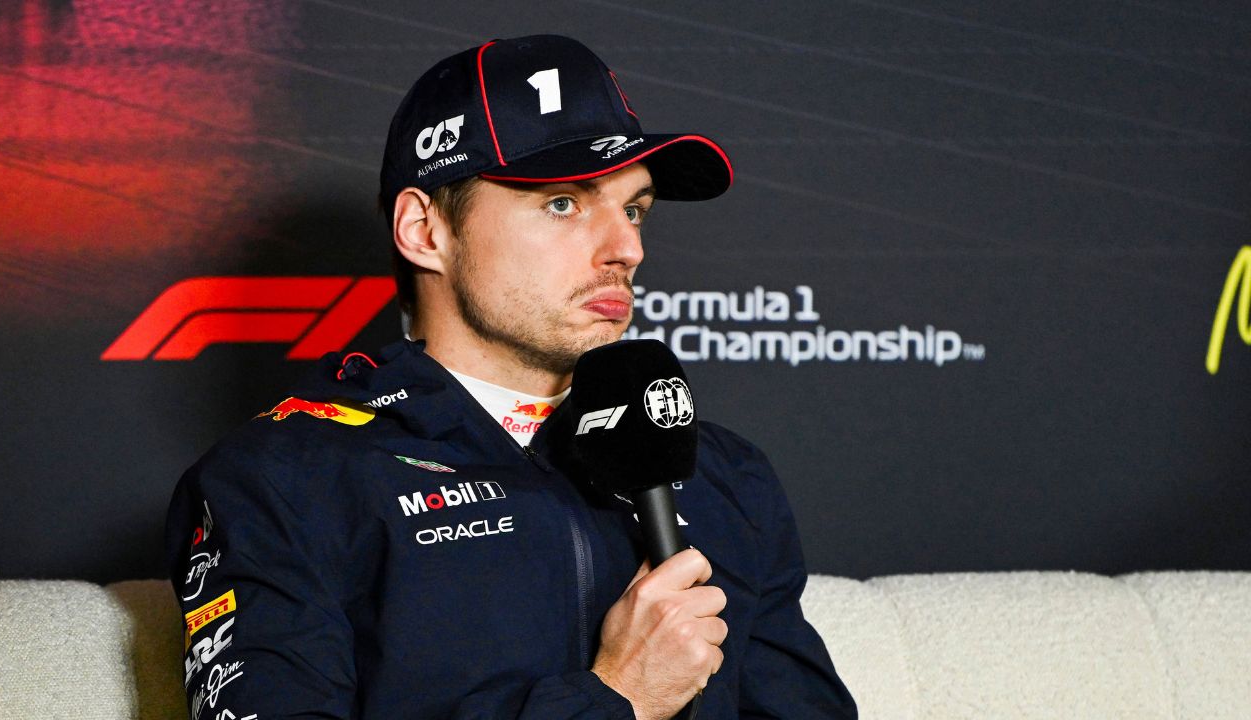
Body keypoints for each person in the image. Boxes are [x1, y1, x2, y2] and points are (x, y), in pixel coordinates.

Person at [167, 35, 857, 720]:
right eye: (563, 203)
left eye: (634, 209)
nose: (627, 249)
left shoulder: (724, 473)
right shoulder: (285, 478)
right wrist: (619, 698)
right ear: (425, 231)